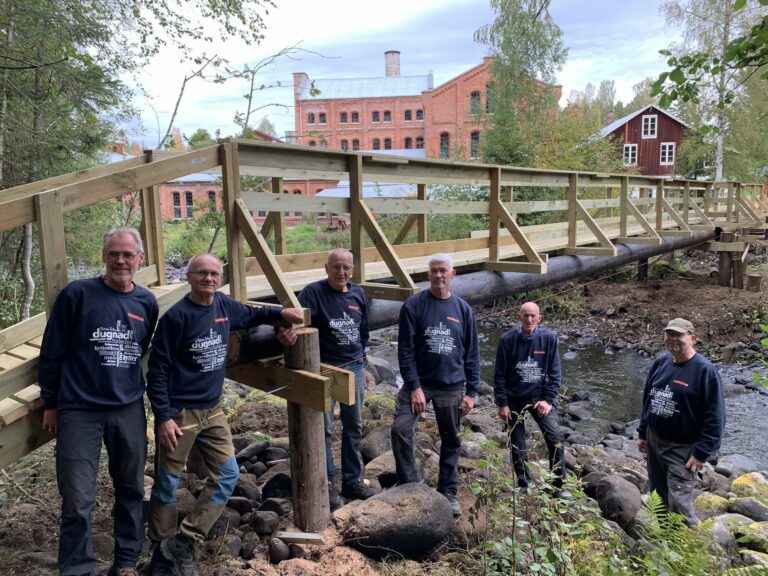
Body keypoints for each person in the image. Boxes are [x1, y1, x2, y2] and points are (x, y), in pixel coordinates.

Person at [146, 253, 303, 576]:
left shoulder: (224, 306)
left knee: (229, 474)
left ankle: (185, 541)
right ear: (188, 277)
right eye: (201, 273)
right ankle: (161, 551)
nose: (209, 278)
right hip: (181, 412)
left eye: (214, 273)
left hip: (213, 410)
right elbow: (157, 370)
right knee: (166, 483)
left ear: (221, 278)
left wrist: (282, 316)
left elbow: (254, 313)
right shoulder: (176, 318)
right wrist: (163, 417)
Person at [38, 227, 159, 576]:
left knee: (132, 488)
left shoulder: (146, 302)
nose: (120, 260)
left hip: (128, 408)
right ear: (103, 257)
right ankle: (77, 568)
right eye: (113, 254)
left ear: (140, 259)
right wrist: (51, 402)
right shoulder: (78, 294)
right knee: (77, 498)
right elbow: (53, 351)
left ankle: (126, 561)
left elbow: (144, 348)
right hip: (79, 409)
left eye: (127, 254)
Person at [391, 253, 480, 517]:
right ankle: (408, 482)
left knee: (451, 439)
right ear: (427, 275)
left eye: (443, 271)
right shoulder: (413, 306)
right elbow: (405, 351)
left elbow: (472, 353)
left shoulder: (464, 310)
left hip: (451, 386)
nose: (439, 275)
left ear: (453, 275)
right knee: (400, 429)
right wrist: (414, 386)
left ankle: (447, 492)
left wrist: (472, 391)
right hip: (419, 383)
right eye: (434, 271)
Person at [298, 248, 378, 510]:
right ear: (326, 268)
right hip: (323, 367)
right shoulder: (312, 292)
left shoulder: (357, 294)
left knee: (353, 425)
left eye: (346, 267)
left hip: (353, 367)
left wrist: (363, 364)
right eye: (336, 267)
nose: (341, 272)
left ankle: (352, 480)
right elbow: (296, 322)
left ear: (352, 269)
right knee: (324, 429)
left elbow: (362, 332)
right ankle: (327, 482)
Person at [637, 317, 725, 526]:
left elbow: (716, 416)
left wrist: (702, 453)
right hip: (655, 440)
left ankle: (685, 550)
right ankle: (664, 542)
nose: (672, 339)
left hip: (682, 449)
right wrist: (642, 432)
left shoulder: (705, 370)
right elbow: (649, 398)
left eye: (678, 335)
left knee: (680, 504)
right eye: (669, 334)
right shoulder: (661, 362)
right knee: (658, 495)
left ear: (692, 338)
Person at [493, 302, 566, 496]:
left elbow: (555, 373)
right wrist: (502, 403)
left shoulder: (549, 339)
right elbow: (499, 374)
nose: (529, 319)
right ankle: (524, 483)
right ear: (519, 317)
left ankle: (558, 485)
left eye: (533, 316)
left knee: (555, 437)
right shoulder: (507, 340)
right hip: (514, 397)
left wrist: (548, 400)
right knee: (518, 443)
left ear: (539, 318)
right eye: (525, 315)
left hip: (539, 397)